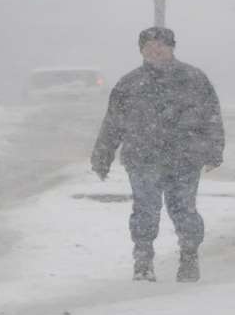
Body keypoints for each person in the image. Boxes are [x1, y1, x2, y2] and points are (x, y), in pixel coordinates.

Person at [90, 26, 225, 283]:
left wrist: (213, 150)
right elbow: (113, 122)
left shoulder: (194, 79)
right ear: (141, 51)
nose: (155, 50)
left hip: (185, 158)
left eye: (161, 45)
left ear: (172, 47)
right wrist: (102, 155)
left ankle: (188, 256)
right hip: (143, 158)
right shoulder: (129, 84)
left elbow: (212, 116)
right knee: (145, 210)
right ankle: (143, 259)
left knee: (183, 209)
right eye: (149, 47)